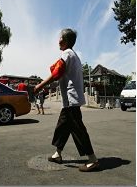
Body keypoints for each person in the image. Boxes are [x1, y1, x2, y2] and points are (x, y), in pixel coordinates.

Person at [34, 28, 99, 172]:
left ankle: (93, 159)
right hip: (70, 99)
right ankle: (58, 154)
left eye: (60, 38)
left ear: (66, 41)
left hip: (71, 98)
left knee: (77, 128)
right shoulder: (72, 55)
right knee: (63, 126)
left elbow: (56, 73)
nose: (58, 40)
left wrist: (40, 85)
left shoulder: (67, 54)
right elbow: (56, 68)